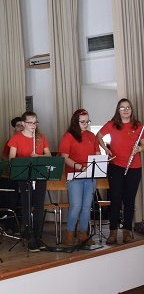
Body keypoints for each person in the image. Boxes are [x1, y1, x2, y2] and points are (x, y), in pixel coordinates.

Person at [98, 98, 143, 245]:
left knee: (129, 200)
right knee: (116, 198)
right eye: (122, 107)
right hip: (116, 166)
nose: (125, 110)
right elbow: (98, 136)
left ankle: (127, 232)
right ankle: (112, 232)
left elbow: (143, 144)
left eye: (128, 107)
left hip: (134, 168)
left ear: (131, 110)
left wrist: (139, 148)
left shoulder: (138, 126)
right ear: (118, 110)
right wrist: (106, 149)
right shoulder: (112, 124)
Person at [8, 110, 51, 252]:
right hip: (24, 176)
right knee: (26, 206)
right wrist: (26, 160)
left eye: (35, 122)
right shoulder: (16, 138)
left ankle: (38, 236)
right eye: (30, 123)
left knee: (39, 207)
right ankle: (29, 236)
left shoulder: (41, 137)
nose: (33, 125)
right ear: (23, 123)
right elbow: (11, 159)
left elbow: (48, 155)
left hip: (40, 175)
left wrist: (38, 156)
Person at [59, 109, 100, 246]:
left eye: (87, 121)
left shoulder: (91, 136)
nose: (86, 124)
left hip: (90, 176)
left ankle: (83, 234)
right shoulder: (68, 136)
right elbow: (64, 157)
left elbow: (97, 153)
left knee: (86, 206)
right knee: (76, 206)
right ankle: (69, 234)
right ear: (75, 122)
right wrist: (80, 167)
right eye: (82, 122)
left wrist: (100, 160)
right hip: (75, 176)